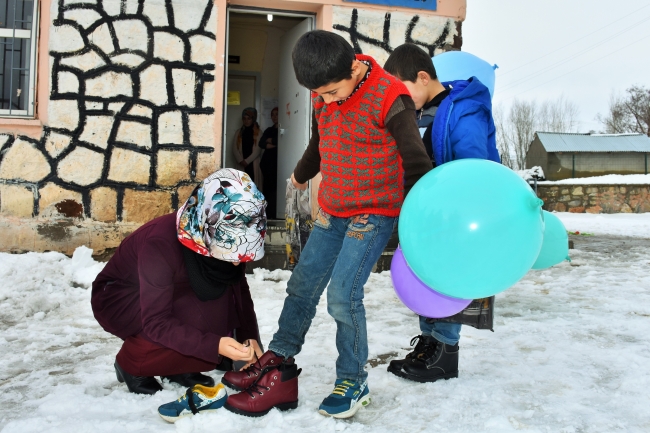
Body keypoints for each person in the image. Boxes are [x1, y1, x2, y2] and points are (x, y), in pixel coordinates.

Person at [221, 30, 432, 419]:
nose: (328, 101)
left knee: (342, 295)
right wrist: (300, 177)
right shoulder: (324, 97)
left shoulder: (390, 97)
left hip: (374, 211)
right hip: (333, 209)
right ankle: (279, 359)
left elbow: (416, 160)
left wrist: (424, 215)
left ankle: (353, 379)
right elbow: (320, 145)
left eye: (333, 92)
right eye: (321, 95)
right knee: (301, 284)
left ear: (354, 66)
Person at [383, 43, 500, 383]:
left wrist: (457, 200)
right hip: (428, 211)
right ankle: (428, 345)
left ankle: (445, 352)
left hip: (457, 209)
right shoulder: (419, 114)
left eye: (402, 91)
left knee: (448, 278)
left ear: (423, 77)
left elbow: (472, 161)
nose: (400, 101)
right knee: (426, 276)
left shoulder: (465, 108)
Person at [91, 169, 266, 395]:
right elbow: (157, 321)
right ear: (208, 221)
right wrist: (215, 345)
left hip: (170, 291)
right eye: (233, 252)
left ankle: (178, 366)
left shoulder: (217, 235)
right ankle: (132, 365)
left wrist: (248, 339)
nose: (237, 262)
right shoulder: (159, 243)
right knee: (200, 321)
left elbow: (239, 293)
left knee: (218, 309)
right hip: (121, 300)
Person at [232, 107, 262, 185]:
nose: (246, 121)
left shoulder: (258, 132)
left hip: (253, 163)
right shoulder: (239, 132)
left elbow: (258, 149)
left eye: (249, 118)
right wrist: (241, 160)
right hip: (241, 163)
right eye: (244, 118)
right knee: (242, 186)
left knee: (253, 185)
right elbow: (234, 148)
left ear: (253, 119)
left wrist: (247, 161)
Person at [258, 107, 279, 218]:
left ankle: (276, 214)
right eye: (273, 114)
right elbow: (261, 143)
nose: (275, 117)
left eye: (277, 114)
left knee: (276, 190)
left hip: (277, 164)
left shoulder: (282, 130)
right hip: (267, 165)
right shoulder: (268, 130)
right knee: (267, 190)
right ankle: (268, 214)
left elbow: (280, 141)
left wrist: (271, 141)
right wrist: (274, 143)